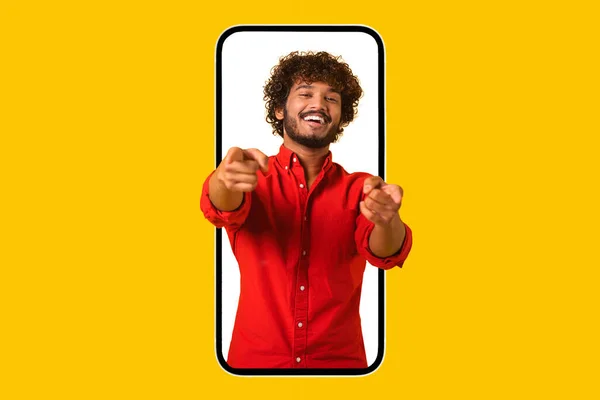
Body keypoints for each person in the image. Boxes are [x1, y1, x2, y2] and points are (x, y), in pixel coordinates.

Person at [200, 51, 413, 369]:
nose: (319, 104)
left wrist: (387, 219)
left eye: (331, 98)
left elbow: (386, 253)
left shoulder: (363, 188)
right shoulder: (252, 175)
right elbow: (221, 207)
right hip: (255, 366)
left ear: (341, 116)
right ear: (278, 109)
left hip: (341, 368)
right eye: (306, 93)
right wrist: (225, 178)